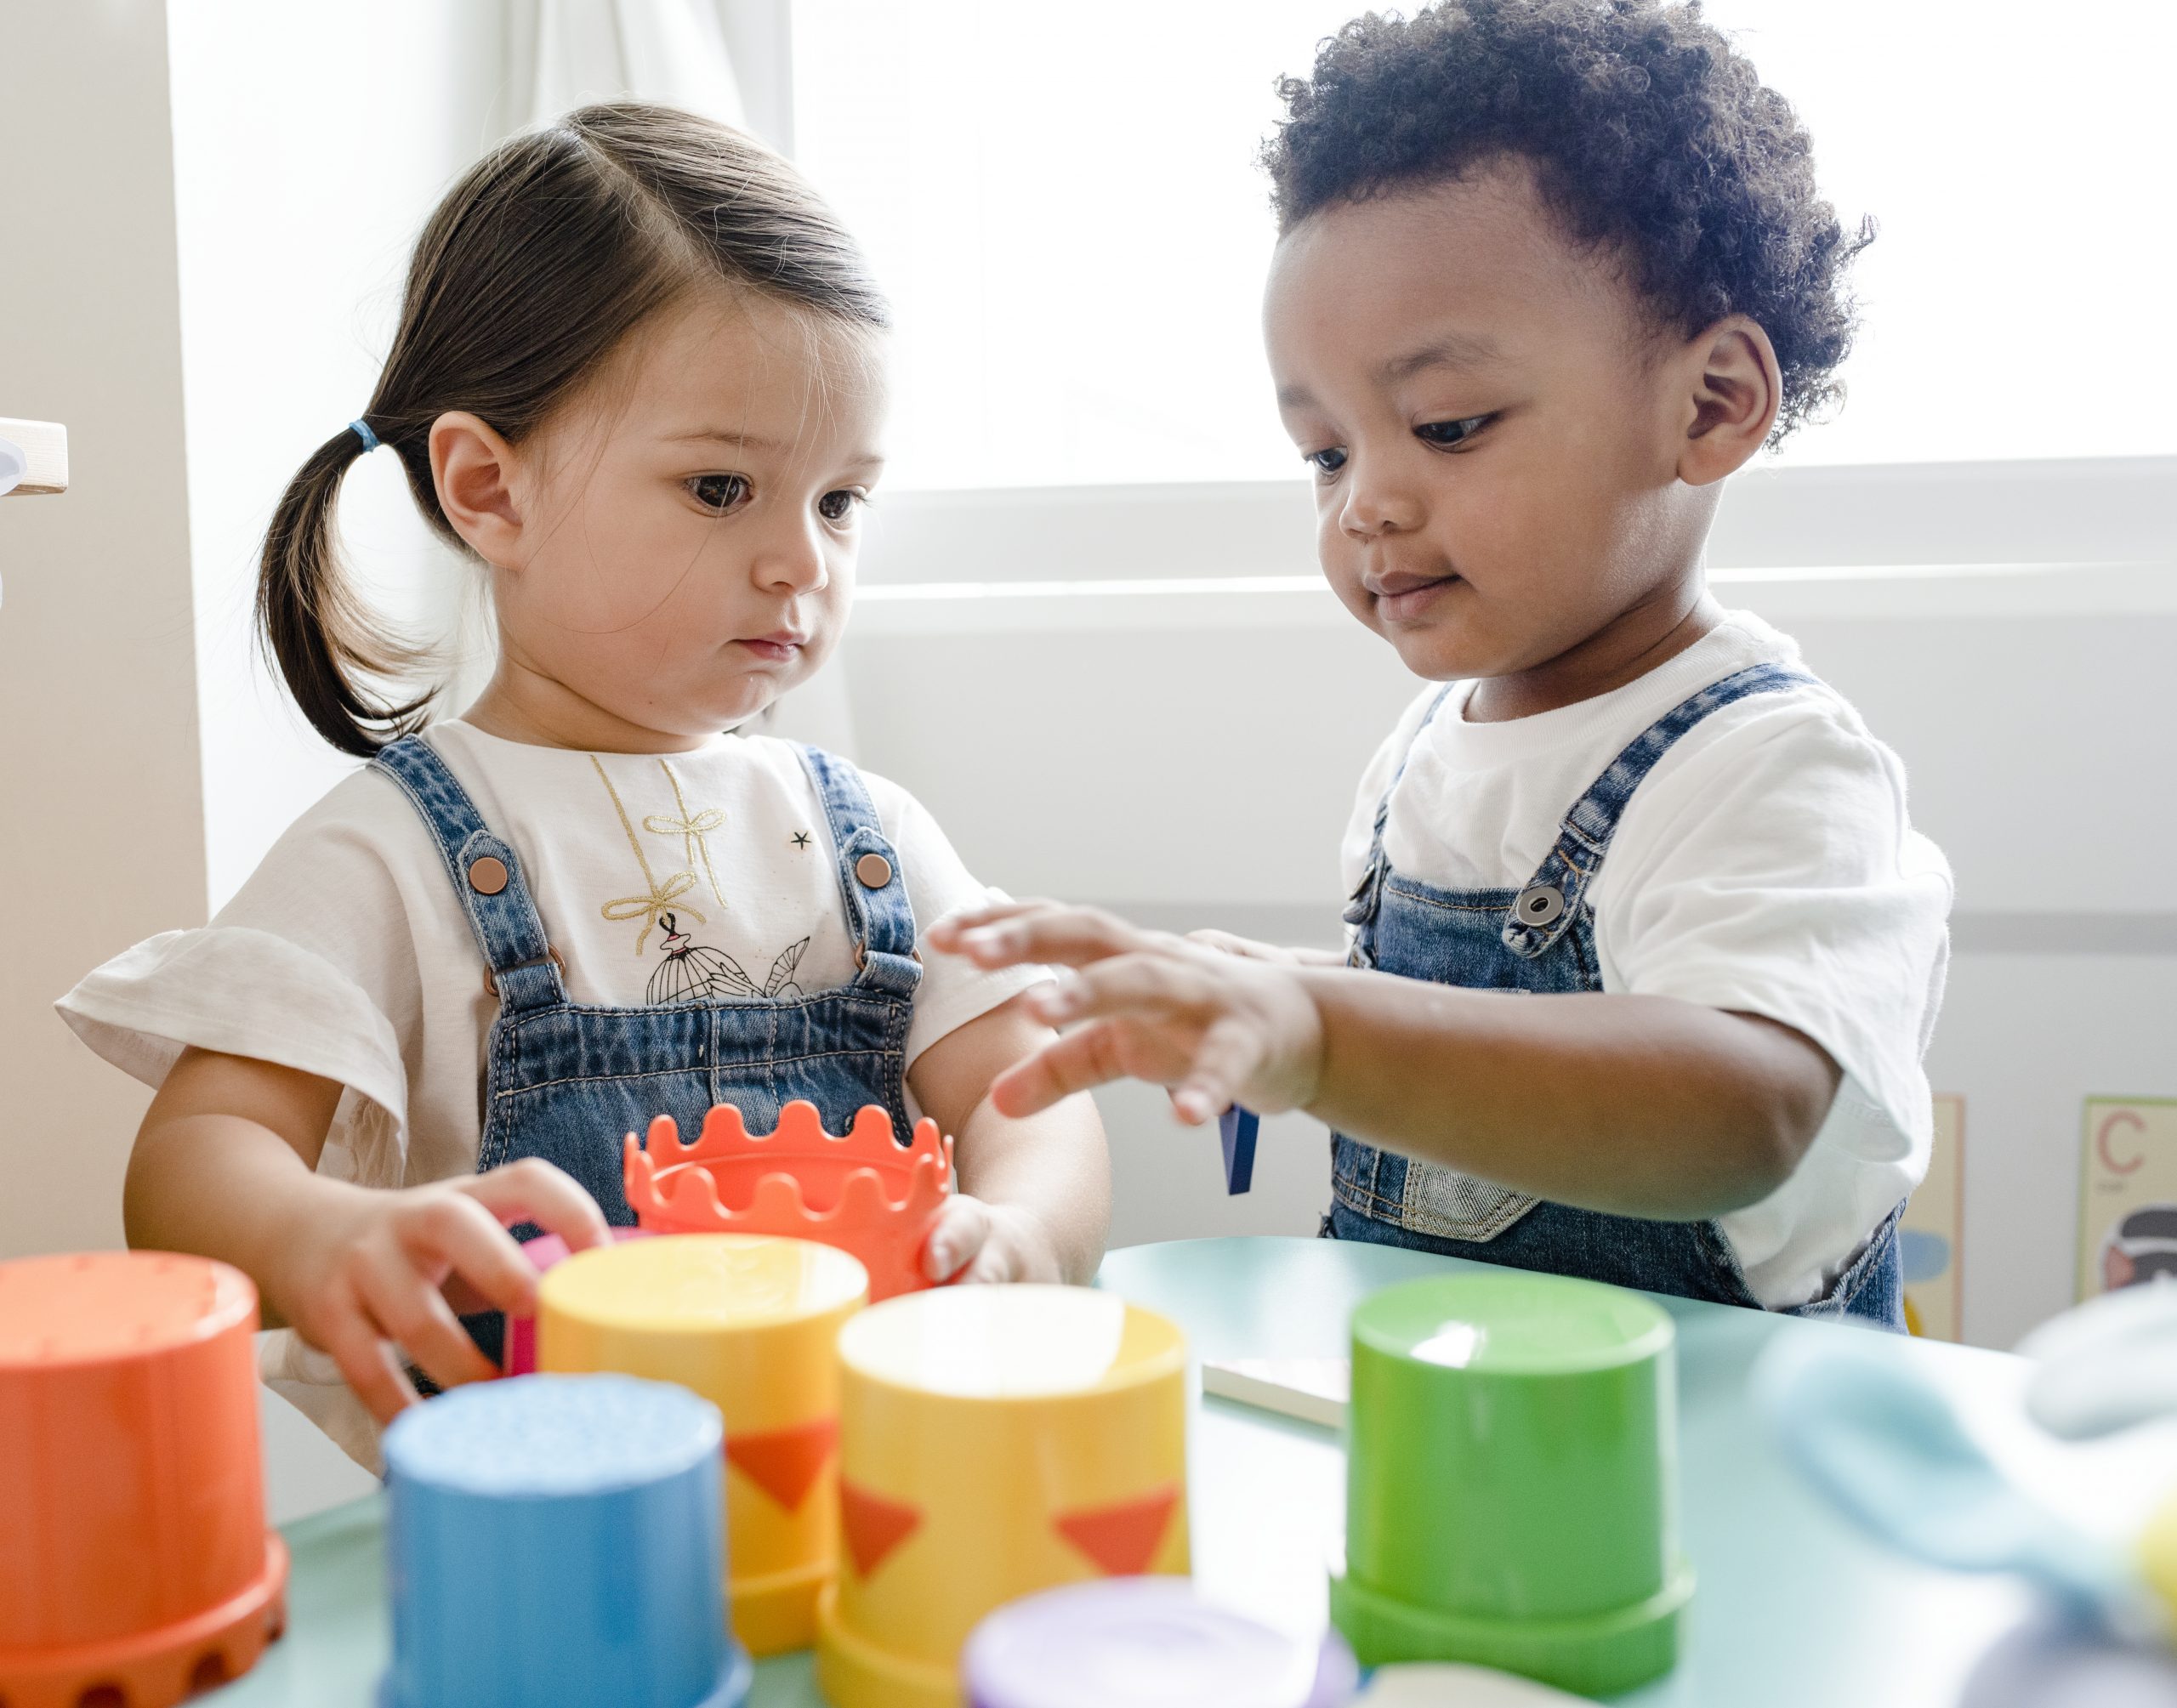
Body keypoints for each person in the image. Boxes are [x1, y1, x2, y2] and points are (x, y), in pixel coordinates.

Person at [60, 103, 1109, 1467]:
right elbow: (195, 1159)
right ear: (491, 489)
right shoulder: (397, 851)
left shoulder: (871, 837)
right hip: (539, 1535)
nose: (804, 560)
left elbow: (1032, 1092)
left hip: (857, 1495)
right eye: (723, 487)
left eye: (842, 501)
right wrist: (327, 1233)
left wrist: (1025, 1230)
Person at [936, 0, 1948, 1328]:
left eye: (1448, 424)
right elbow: (1475, 1032)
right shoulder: (1425, 750)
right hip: (1456, 1440)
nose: (1366, 502)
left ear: (1710, 404)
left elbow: (1743, 1103)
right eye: (1326, 451)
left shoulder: (1770, 767)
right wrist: (1287, 999)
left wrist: (1325, 1030)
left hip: (1709, 1466)